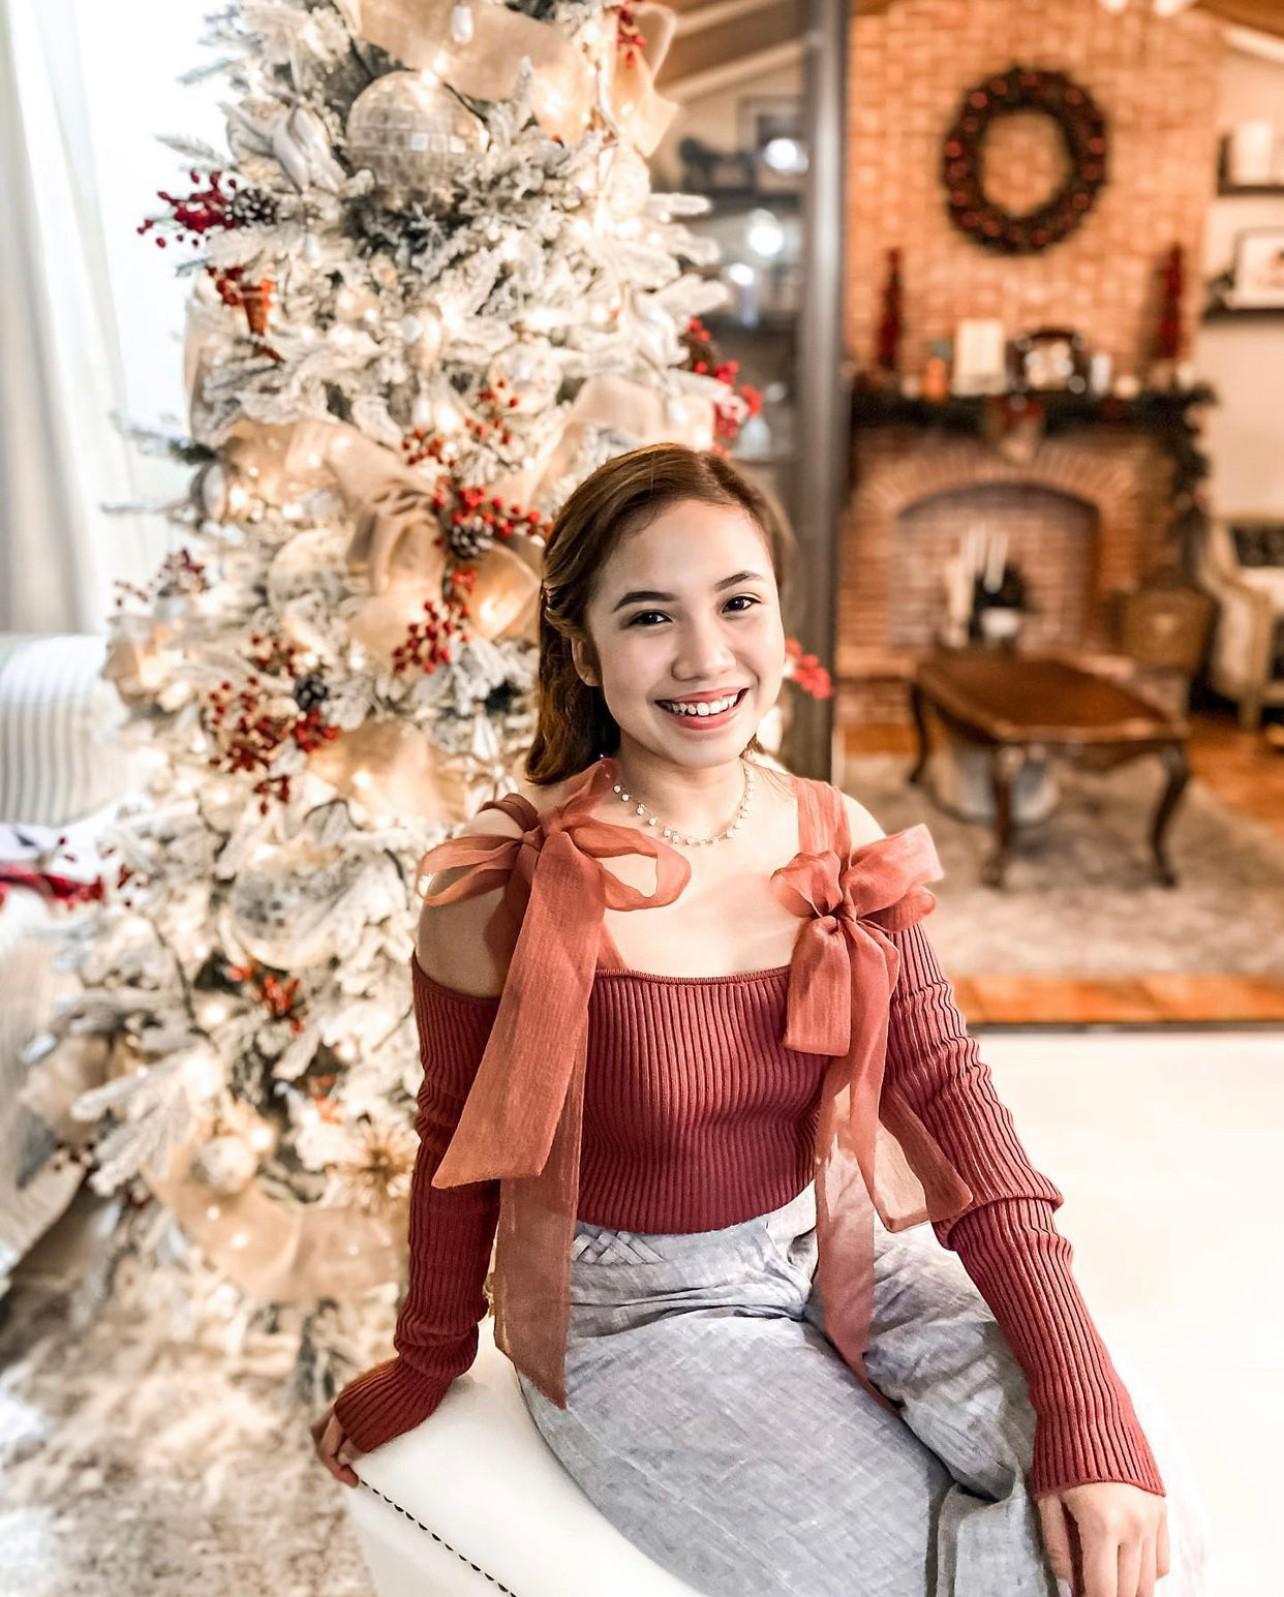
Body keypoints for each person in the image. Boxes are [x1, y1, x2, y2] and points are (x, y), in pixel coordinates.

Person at [313, 443, 1208, 1597]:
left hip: (823, 1247)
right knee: (975, 1576)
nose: (705, 656)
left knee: (1140, 1502)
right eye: (649, 615)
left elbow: (952, 1099)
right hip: (629, 1320)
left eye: (738, 602)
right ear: (581, 648)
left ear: (781, 615)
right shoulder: (502, 879)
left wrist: (1081, 1397)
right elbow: (453, 1139)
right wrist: (425, 1358)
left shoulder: (839, 837)